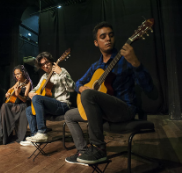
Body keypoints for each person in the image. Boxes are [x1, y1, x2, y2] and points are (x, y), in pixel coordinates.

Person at [64, 22, 154, 165]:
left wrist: (136, 63)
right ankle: (83, 151)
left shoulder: (125, 59)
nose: (108, 39)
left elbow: (150, 91)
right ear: (96, 42)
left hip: (124, 109)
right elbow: (77, 83)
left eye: (111, 35)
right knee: (69, 115)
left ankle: (99, 149)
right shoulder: (96, 66)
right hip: (103, 112)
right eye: (103, 36)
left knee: (89, 95)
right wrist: (81, 88)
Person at [25, 51, 75, 143]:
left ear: (51, 61)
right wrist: (30, 93)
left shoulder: (62, 71)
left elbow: (72, 88)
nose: (45, 66)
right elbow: (35, 89)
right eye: (42, 65)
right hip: (51, 106)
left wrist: (60, 73)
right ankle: (35, 137)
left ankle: (42, 132)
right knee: (28, 110)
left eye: (47, 62)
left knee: (37, 98)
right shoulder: (44, 76)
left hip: (62, 105)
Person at [0, 65, 33, 145]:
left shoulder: (28, 83)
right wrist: (8, 93)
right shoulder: (18, 83)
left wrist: (17, 95)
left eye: (18, 74)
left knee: (6, 107)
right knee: (4, 106)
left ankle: (2, 135)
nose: (16, 76)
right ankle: (1, 135)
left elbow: (24, 99)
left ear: (23, 73)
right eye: (15, 74)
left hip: (23, 106)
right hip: (16, 105)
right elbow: (10, 90)